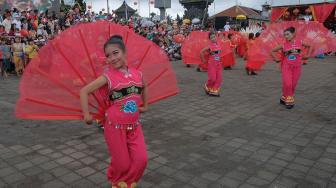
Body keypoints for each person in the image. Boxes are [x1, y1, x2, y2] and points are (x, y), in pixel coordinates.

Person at [80, 35, 148, 188]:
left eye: (115, 53)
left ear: (124, 52)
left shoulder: (138, 74)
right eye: (108, 55)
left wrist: (145, 105)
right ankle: (117, 181)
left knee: (141, 160)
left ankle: (126, 182)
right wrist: (86, 114)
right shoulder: (107, 77)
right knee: (122, 164)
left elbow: (144, 86)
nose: (112, 58)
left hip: (135, 126)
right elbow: (84, 91)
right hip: (114, 127)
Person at [271, 27, 311, 109]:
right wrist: (276, 59)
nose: (286, 36)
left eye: (287, 34)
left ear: (293, 34)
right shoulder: (283, 45)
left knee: (293, 85)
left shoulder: (300, 42)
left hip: (297, 67)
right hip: (287, 67)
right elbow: (272, 51)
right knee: (288, 83)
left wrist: (308, 55)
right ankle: (289, 100)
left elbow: (310, 46)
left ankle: (284, 97)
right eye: (285, 35)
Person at [201, 32, 223, 96]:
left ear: (216, 37)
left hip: (218, 64)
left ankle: (214, 91)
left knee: (219, 79)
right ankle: (207, 86)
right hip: (212, 64)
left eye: (214, 37)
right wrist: (203, 60)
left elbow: (219, 54)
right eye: (211, 38)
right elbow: (201, 52)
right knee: (212, 79)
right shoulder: (209, 46)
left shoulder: (219, 45)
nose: (213, 38)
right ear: (210, 39)